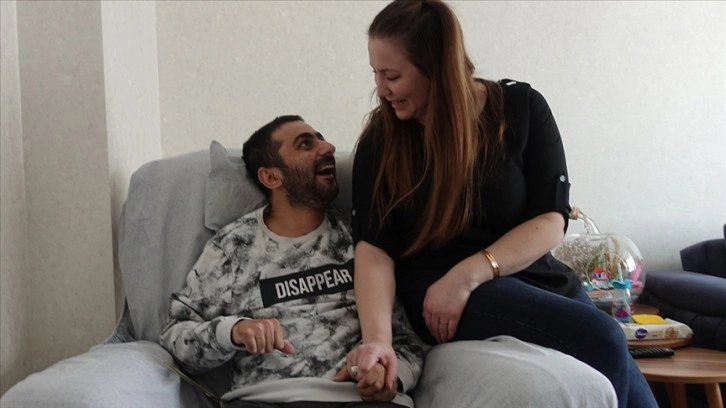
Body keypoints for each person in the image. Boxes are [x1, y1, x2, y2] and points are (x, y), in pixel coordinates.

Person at [347, 1, 657, 407]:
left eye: (392, 76)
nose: (381, 89)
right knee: (601, 336)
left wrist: (469, 274)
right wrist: (378, 341)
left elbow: (551, 219)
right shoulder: (382, 139)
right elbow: (374, 249)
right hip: (436, 291)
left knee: (628, 375)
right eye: (375, 72)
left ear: (437, 68)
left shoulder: (522, 108)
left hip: (530, 278)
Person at [159, 115, 426, 408]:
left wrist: (390, 375)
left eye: (321, 138)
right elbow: (176, 337)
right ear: (271, 177)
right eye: (305, 144)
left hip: (361, 400)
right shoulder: (234, 246)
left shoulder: (362, 239)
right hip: (267, 400)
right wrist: (233, 331)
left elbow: (408, 341)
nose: (328, 147)